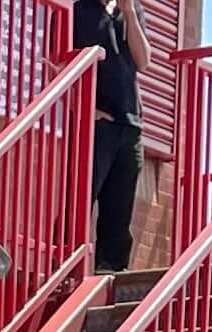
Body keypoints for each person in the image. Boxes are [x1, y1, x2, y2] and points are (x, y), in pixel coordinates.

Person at [73, 0, 145, 272]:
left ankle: (111, 269)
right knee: (81, 196)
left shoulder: (132, 11)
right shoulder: (80, 10)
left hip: (131, 122)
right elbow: (55, 61)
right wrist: (83, 107)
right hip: (97, 121)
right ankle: (64, 264)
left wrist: (129, 13)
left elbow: (144, 60)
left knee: (120, 203)